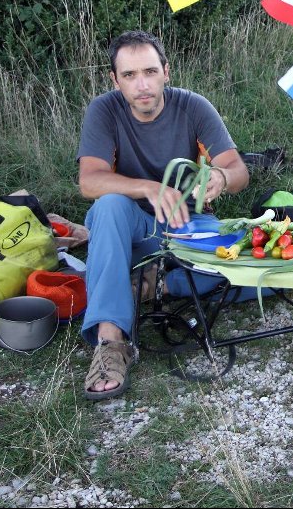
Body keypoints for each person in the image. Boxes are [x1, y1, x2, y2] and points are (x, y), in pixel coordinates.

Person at [76, 30, 249, 400]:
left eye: (150, 72)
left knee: (252, 265)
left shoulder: (193, 106)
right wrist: (147, 187)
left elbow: (238, 172)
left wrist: (220, 176)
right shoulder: (104, 110)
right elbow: (89, 181)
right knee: (107, 205)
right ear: (114, 80)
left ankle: (156, 285)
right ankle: (110, 344)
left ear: (166, 72)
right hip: (130, 227)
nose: (142, 85)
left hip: (184, 226)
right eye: (129, 75)